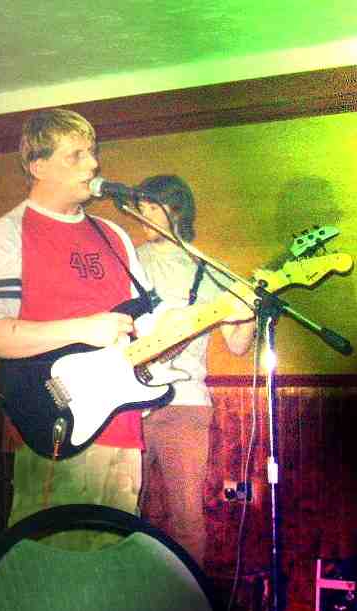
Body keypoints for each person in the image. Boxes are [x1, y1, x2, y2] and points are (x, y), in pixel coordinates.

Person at [0, 108, 149, 549]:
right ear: (37, 165)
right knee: (49, 568)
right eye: (76, 155)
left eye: (93, 153)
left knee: (112, 568)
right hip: (57, 429)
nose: (93, 165)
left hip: (123, 430)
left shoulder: (113, 236)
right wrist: (84, 328)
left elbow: (144, 325)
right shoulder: (9, 232)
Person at [133, 175, 255, 567]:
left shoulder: (208, 270)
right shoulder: (129, 259)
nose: (142, 214)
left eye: (151, 206)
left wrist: (249, 310)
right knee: (131, 515)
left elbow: (237, 345)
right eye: (141, 206)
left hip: (185, 405)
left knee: (187, 519)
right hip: (125, 405)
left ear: (176, 209)